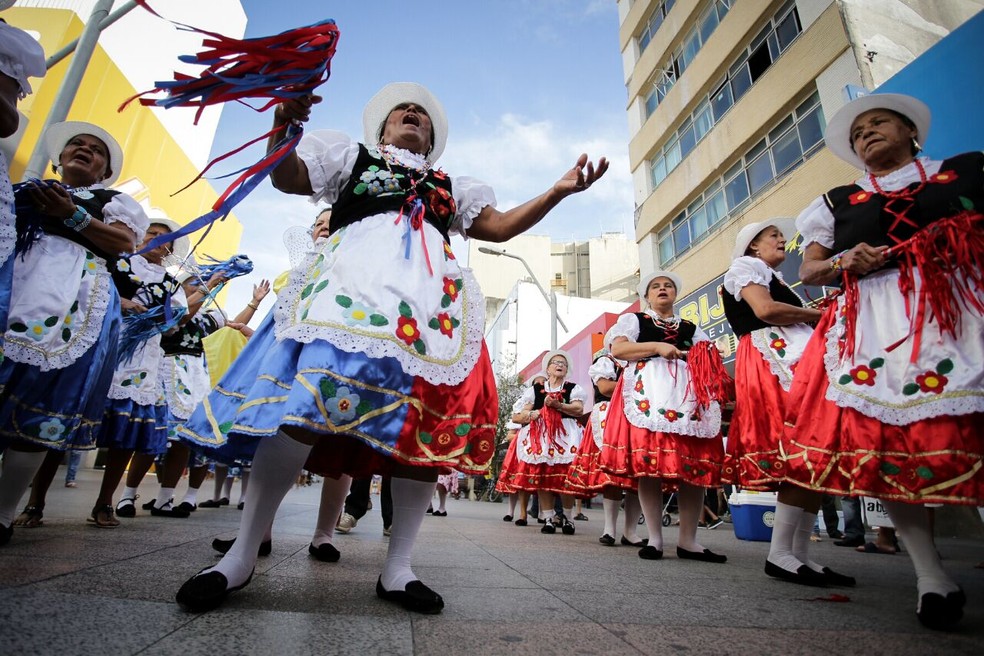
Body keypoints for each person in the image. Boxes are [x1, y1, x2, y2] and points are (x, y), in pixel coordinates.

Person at [173, 82, 608, 613]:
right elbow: (286, 177)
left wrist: (555, 193)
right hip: (343, 300)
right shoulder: (350, 158)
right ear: (381, 128)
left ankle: (398, 567)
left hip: (429, 317)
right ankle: (240, 556)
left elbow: (497, 227)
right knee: (301, 414)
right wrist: (283, 124)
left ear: (431, 139)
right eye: (403, 110)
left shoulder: (452, 186)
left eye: (423, 115)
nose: (413, 114)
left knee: (421, 432)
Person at [782, 92, 983, 630]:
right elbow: (810, 271)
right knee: (890, 442)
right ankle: (931, 576)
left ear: (911, 132)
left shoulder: (963, 172)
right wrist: (846, 259)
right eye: (858, 132)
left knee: (971, 428)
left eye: (879, 123)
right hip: (879, 325)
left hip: (960, 310)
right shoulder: (838, 203)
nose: (867, 133)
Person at [0, 121, 149, 545]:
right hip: (13, 286)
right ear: (59, 158)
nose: (84, 151)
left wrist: (71, 214)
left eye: (95, 150)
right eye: (77, 145)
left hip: (72, 296)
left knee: (39, 400)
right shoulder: (24, 191)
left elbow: (122, 244)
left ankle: (4, 511)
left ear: (105, 171)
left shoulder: (112, 201)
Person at [721, 218, 853, 587]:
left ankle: (799, 556)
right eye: (773, 236)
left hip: (791, 358)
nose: (782, 240)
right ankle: (780, 553)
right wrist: (820, 315)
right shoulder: (745, 268)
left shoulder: (774, 277)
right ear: (752, 247)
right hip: (771, 358)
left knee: (811, 455)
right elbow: (765, 312)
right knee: (799, 448)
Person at [600, 271, 731, 564]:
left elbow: (708, 356)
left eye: (668, 286)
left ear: (675, 294)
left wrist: (710, 353)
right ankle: (655, 539)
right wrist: (658, 347)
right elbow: (619, 349)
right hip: (650, 390)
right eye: (656, 286)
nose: (662, 289)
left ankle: (688, 541)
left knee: (691, 465)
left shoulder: (690, 326)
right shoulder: (635, 321)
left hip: (687, 394)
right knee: (650, 464)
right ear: (646, 296)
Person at [498, 351, 589, 535]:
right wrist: (535, 414)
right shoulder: (535, 390)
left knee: (566, 478)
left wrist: (559, 406)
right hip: (542, 437)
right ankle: (547, 518)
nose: (560, 365)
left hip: (567, 436)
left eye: (563, 363)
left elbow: (579, 409)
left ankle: (568, 519)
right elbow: (518, 415)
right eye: (555, 362)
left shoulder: (573, 388)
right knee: (543, 476)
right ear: (547, 368)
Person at [566, 347, 646, 547]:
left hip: (636, 415)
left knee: (636, 475)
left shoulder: (642, 360)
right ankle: (609, 529)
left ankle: (630, 531)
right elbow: (605, 388)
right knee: (612, 476)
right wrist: (643, 383)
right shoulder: (607, 360)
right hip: (609, 416)